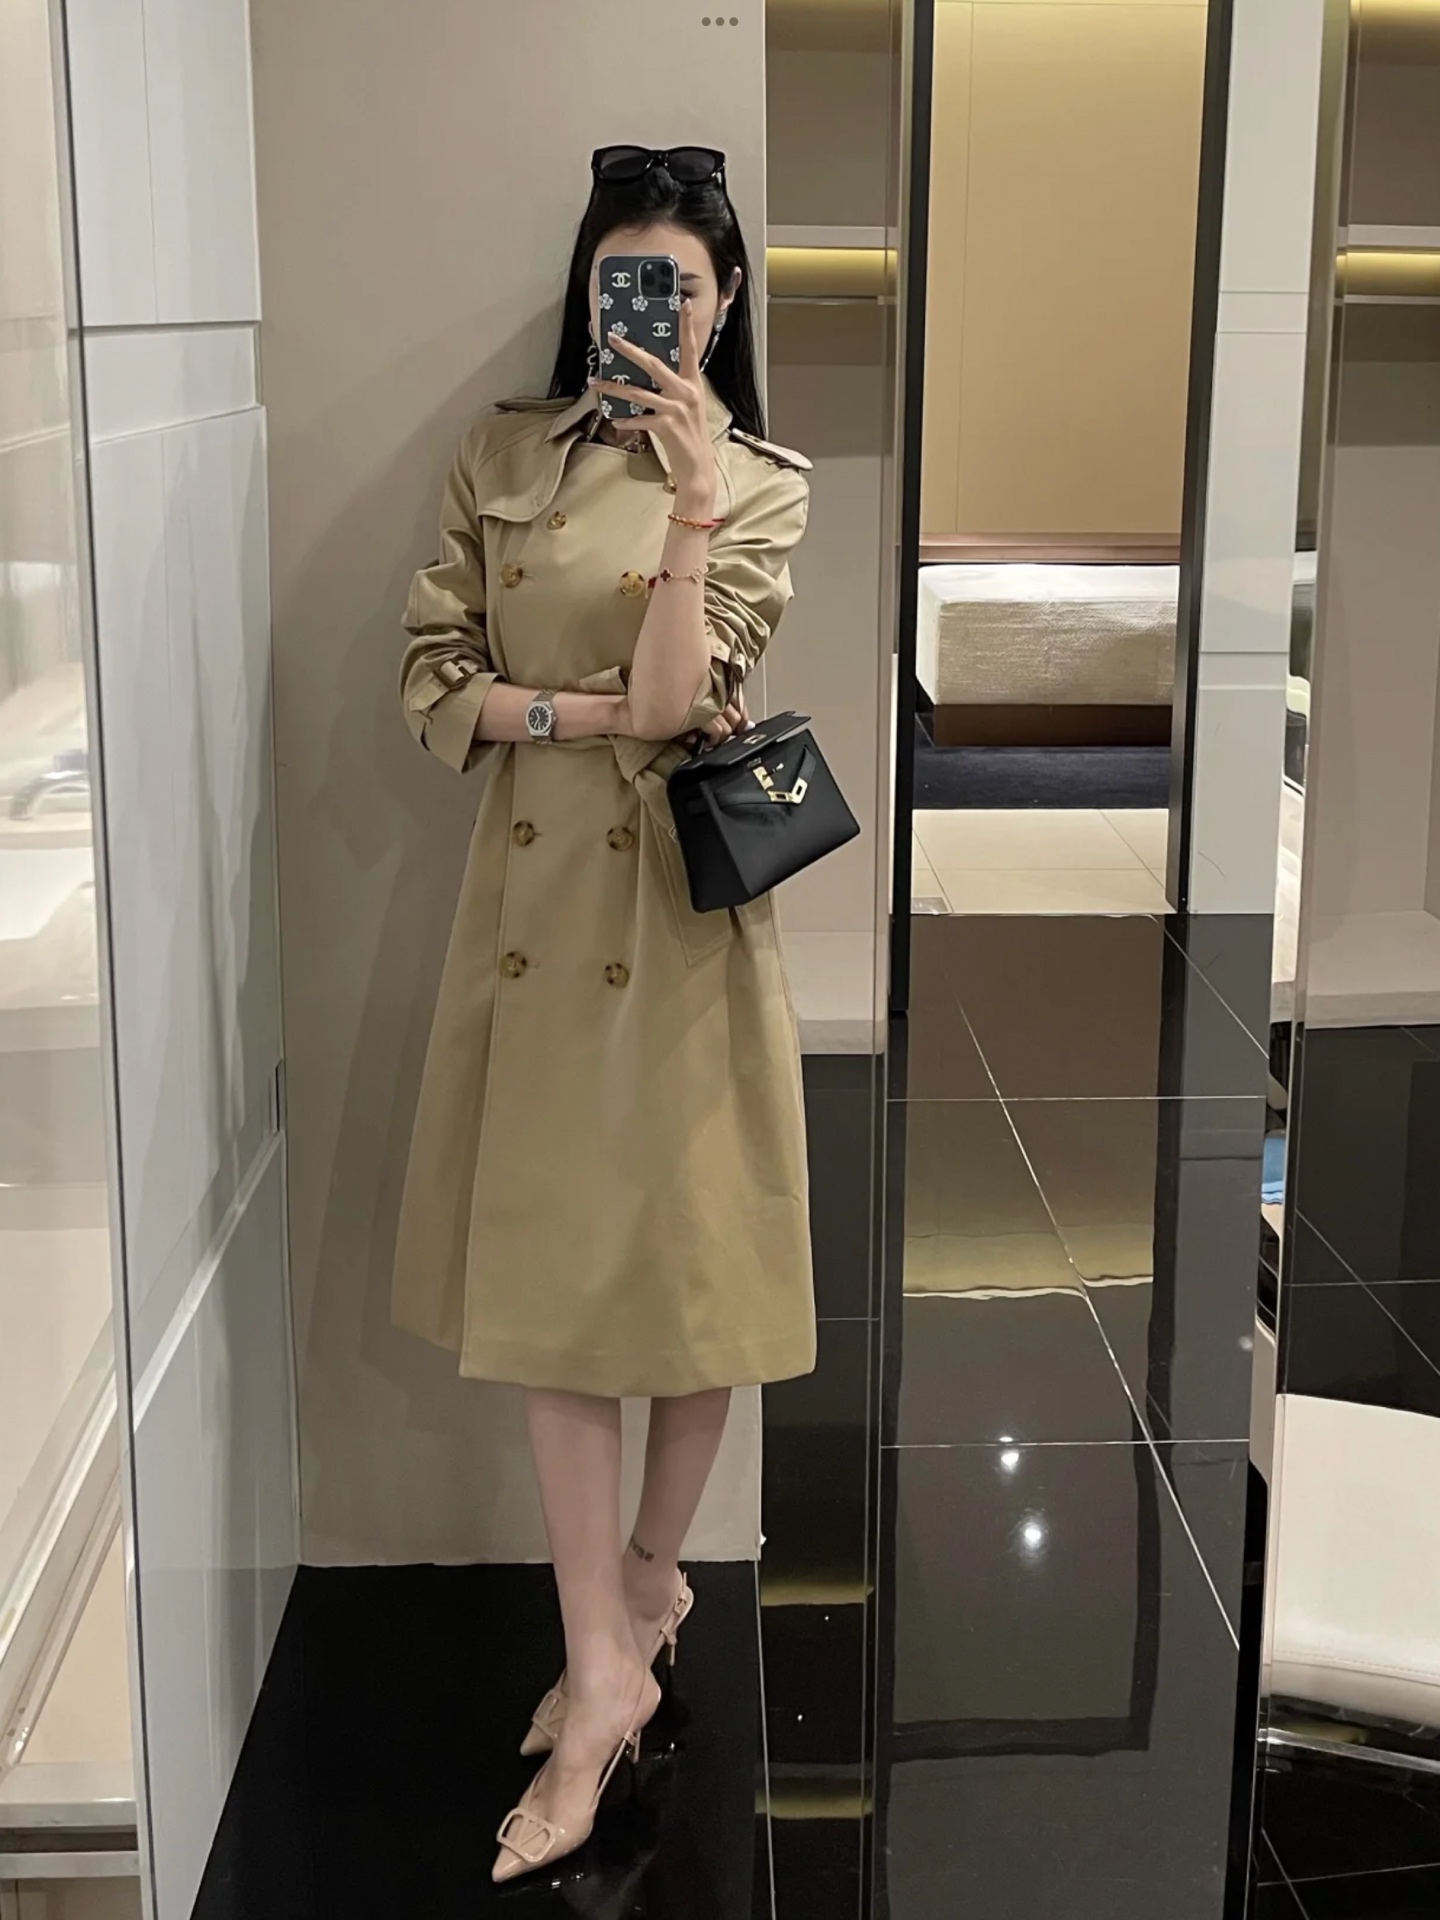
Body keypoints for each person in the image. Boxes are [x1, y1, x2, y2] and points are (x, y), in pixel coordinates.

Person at [391, 146, 816, 1881]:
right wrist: (570, 719)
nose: (645, 313)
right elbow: (431, 685)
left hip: (679, 927)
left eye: (681, 290)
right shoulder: (500, 456)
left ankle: (646, 1586)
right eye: (620, 282)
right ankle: (598, 1671)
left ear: (724, 309)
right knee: (552, 1300)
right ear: (587, 291)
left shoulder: (761, 485)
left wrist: (694, 502)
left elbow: (677, 691)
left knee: (687, 1283)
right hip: (532, 918)